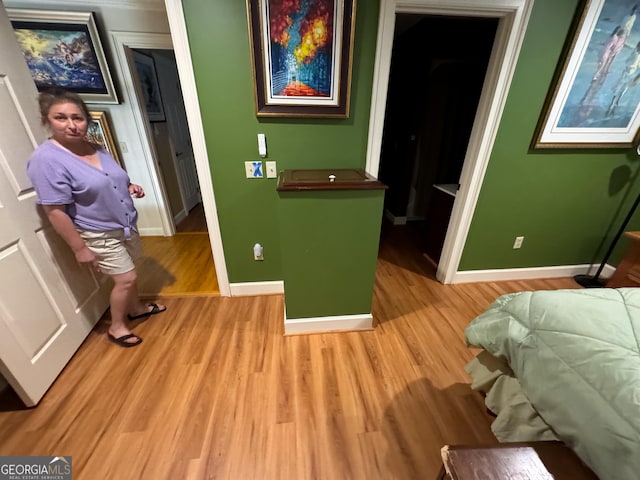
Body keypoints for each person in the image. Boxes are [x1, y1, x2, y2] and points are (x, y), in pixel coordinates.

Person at [26, 88, 166, 348]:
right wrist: (79, 248)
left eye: (77, 118)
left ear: (86, 120)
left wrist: (129, 187)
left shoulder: (96, 148)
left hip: (124, 226)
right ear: (47, 120)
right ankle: (117, 326)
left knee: (131, 269)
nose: (71, 125)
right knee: (126, 279)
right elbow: (54, 210)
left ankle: (135, 307)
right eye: (61, 118)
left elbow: (107, 181)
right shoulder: (46, 160)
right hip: (97, 232)